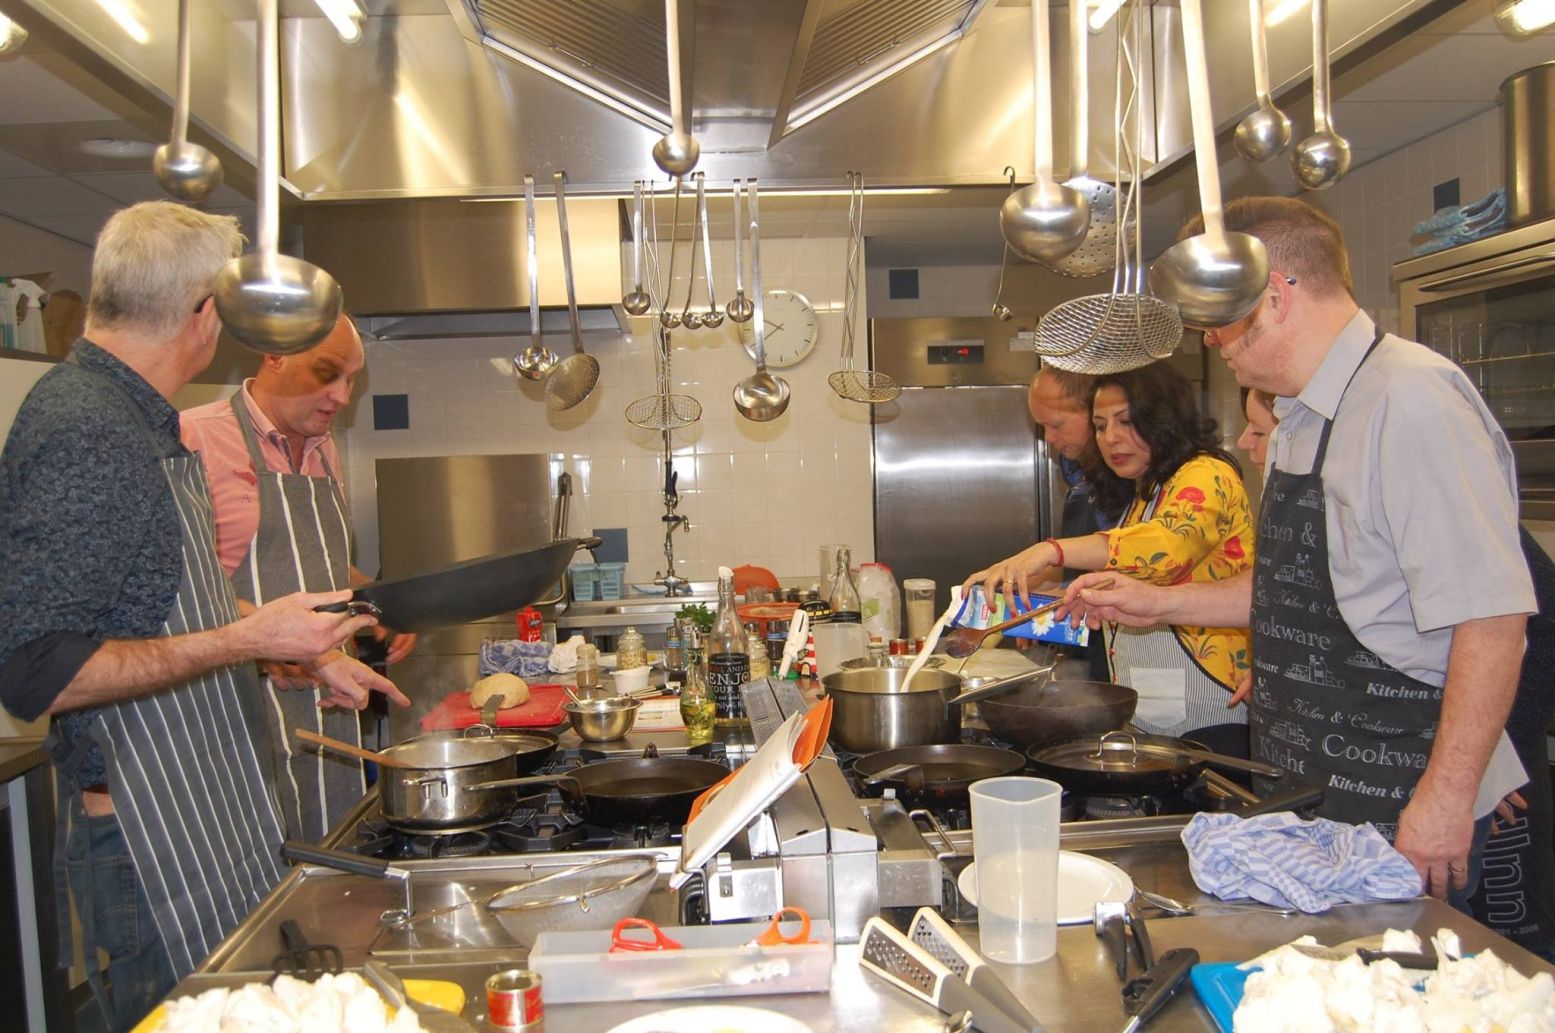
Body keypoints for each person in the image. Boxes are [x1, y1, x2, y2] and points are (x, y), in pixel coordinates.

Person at [1062, 196, 1534, 902]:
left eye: (1217, 319)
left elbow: (1492, 620)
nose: (1210, 342)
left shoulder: (1409, 400)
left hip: (1393, 799)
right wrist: (1159, 604)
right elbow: (1300, 585)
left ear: (1274, 296)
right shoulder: (1308, 412)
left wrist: (1442, 797)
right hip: (1312, 793)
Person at [0, 202, 400, 1031]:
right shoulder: (87, 429)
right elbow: (40, 671)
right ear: (207, 313)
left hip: (205, 813)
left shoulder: (138, 419)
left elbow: (164, 603)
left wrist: (302, 648)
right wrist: (247, 639)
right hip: (148, 839)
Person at [182, 313, 415, 843]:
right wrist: (264, 638)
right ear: (274, 355)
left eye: (351, 379)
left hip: (328, 702)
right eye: (326, 372)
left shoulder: (324, 450)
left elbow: (325, 564)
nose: (340, 396)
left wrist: (381, 602)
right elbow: (175, 593)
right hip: (238, 716)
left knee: (332, 872)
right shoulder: (193, 439)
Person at [968, 362, 1254, 751]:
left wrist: (1050, 551)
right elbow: (1127, 587)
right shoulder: (1146, 493)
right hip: (1151, 715)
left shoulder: (1208, 473)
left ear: (1163, 418)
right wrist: (1029, 606)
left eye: (1126, 421)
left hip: (1209, 714)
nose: (1111, 439)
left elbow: (1166, 547)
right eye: (1101, 426)